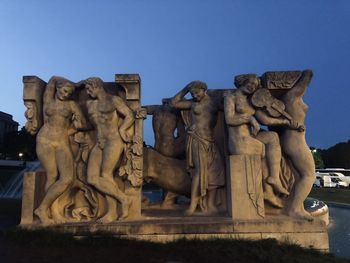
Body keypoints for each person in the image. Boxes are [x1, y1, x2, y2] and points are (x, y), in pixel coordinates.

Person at [34, 76, 87, 224]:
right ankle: (54, 213)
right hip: (45, 140)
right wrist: (76, 83)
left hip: (62, 142)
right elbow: (52, 79)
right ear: (58, 89)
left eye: (69, 93)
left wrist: (72, 127)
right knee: (51, 176)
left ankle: (42, 208)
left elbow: (84, 124)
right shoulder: (48, 100)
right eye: (64, 91)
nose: (66, 94)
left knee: (67, 178)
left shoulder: (71, 105)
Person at [170, 81, 225, 215]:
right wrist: (186, 88)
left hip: (210, 141)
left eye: (196, 92)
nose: (194, 95)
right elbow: (174, 103)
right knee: (200, 173)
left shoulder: (214, 102)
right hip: (197, 140)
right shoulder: (192, 103)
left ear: (204, 89)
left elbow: (229, 105)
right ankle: (192, 207)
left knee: (217, 171)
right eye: (192, 93)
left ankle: (211, 206)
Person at [85, 77, 134, 222]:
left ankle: (111, 213)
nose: (87, 92)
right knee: (92, 178)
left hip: (113, 140)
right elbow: (92, 125)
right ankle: (124, 199)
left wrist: (123, 129)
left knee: (106, 175)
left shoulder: (114, 100)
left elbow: (129, 115)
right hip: (99, 142)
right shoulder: (90, 104)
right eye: (86, 89)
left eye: (89, 88)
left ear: (97, 86)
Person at [278, 70, 315, 219]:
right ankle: (294, 209)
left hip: (291, 140)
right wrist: (307, 74)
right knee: (309, 175)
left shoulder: (288, 100)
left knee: (299, 176)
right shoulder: (291, 97)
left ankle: (296, 206)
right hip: (295, 141)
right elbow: (306, 78)